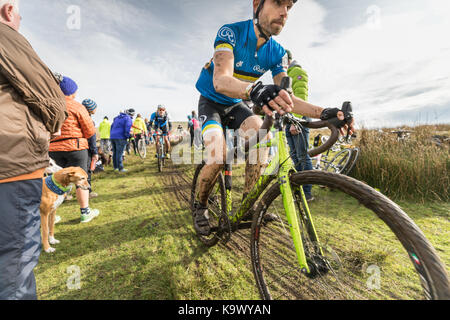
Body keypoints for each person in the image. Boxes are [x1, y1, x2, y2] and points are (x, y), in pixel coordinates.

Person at [192, 0, 355, 236]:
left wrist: (325, 113)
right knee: (218, 155)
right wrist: (255, 90)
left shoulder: (277, 52)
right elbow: (221, 80)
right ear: (257, 3)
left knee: (262, 134)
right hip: (212, 101)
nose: (284, 12)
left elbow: (288, 99)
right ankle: (201, 206)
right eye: (278, 2)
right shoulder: (231, 32)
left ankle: (248, 204)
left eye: (289, 7)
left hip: (238, 104)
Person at [0, 0, 68, 300]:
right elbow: (52, 98)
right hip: (11, 165)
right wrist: (54, 122)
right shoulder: (5, 35)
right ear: (9, 10)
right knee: (13, 270)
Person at [49, 77, 100, 224]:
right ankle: (85, 212)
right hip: (75, 147)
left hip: (54, 148)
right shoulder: (77, 107)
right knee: (80, 180)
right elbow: (89, 130)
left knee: (56, 181)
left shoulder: (50, 105)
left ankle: (52, 215)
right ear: (72, 92)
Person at [284, 49, 314, 201]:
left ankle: (307, 193)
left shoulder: (297, 72)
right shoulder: (285, 75)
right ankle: (299, 190)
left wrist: (296, 121)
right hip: (289, 120)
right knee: (295, 156)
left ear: (287, 60)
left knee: (303, 156)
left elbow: (301, 96)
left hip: (299, 118)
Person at [82, 99, 100, 199]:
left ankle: (65, 194)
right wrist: (94, 152)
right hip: (84, 148)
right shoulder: (88, 120)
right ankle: (87, 192)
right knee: (86, 171)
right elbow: (92, 137)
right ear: (91, 109)